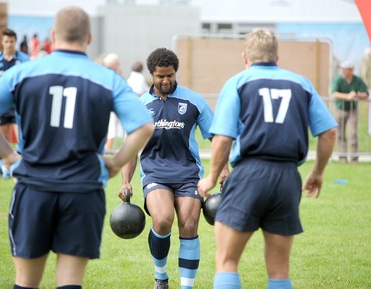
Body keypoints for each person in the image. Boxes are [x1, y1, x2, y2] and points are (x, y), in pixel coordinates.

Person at [0, 5, 154, 289]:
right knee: (70, 284)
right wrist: (116, 163)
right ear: (89, 38)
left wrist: (9, 157)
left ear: (53, 35)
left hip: (33, 188)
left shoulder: (24, 72)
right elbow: (144, 126)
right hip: (82, 191)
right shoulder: (106, 78)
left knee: (26, 282)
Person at [197, 28, 337, 289]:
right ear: (277, 57)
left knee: (227, 261)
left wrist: (211, 178)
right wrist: (317, 173)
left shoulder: (238, 82)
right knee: (280, 271)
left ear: (245, 57)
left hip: (250, 173)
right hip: (287, 177)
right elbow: (329, 132)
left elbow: (223, 138)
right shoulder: (301, 84)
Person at [119, 47, 228, 289]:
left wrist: (223, 169)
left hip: (189, 174)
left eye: (170, 75)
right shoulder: (141, 105)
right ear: (152, 75)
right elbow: (131, 147)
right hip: (155, 172)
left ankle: (186, 287)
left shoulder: (193, 101)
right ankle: (161, 277)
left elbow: (217, 137)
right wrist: (126, 181)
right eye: (160, 76)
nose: (166, 80)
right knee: (163, 219)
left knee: (189, 224)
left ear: (175, 72)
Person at [0, 28, 30, 178]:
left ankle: (20, 166)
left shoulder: (24, 60)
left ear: (15, 42)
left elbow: (31, 83)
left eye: (11, 41)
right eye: (6, 41)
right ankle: (1, 167)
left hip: (19, 105)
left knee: (22, 138)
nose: (9, 44)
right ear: (2, 42)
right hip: (1, 106)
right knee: (0, 138)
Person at [331, 60, 369, 163]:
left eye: (345, 69)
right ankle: (342, 157)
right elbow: (334, 93)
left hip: (353, 109)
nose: (343, 71)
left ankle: (354, 158)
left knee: (353, 133)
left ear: (351, 70)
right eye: (342, 69)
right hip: (340, 109)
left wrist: (356, 95)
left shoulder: (357, 80)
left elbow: (366, 94)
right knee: (340, 134)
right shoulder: (339, 80)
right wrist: (347, 97)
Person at [102, 53, 125, 153]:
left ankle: (107, 149)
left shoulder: (104, 74)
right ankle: (107, 149)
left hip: (110, 106)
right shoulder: (114, 76)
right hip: (109, 106)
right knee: (110, 129)